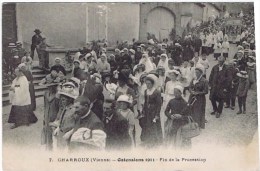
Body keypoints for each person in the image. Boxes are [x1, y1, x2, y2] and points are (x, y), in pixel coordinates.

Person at [140, 74, 162, 147]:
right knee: (147, 124)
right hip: (147, 111)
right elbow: (145, 101)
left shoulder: (156, 92)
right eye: (146, 84)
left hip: (153, 111)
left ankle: (155, 141)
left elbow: (159, 104)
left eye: (149, 84)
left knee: (154, 125)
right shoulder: (146, 91)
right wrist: (143, 110)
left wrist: (157, 114)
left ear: (152, 84)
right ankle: (147, 139)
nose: (147, 85)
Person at [189, 64, 208, 129]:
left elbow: (206, 91)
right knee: (192, 110)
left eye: (197, 72)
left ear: (201, 73)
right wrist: (191, 91)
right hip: (192, 97)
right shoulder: (193, 79)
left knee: (198, 111)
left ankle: (198, 125)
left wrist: (198, 93)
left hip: (200, 99)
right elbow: (190, 87)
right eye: (195, 72)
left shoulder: (204, 81)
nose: (196, 74)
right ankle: (192, 124)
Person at [42, 82, 60, 150]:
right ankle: (48, 147)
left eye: (53, 86)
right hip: (47, 116)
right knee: (46, 132)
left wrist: (57, 119)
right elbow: (45, 106)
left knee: (53, 135)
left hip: (54, 117)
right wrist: (44, 116)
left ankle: (52, 149)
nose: (51, 88)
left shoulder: (57, 96)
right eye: (49, 87)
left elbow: (59, 108)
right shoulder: (46, 94)